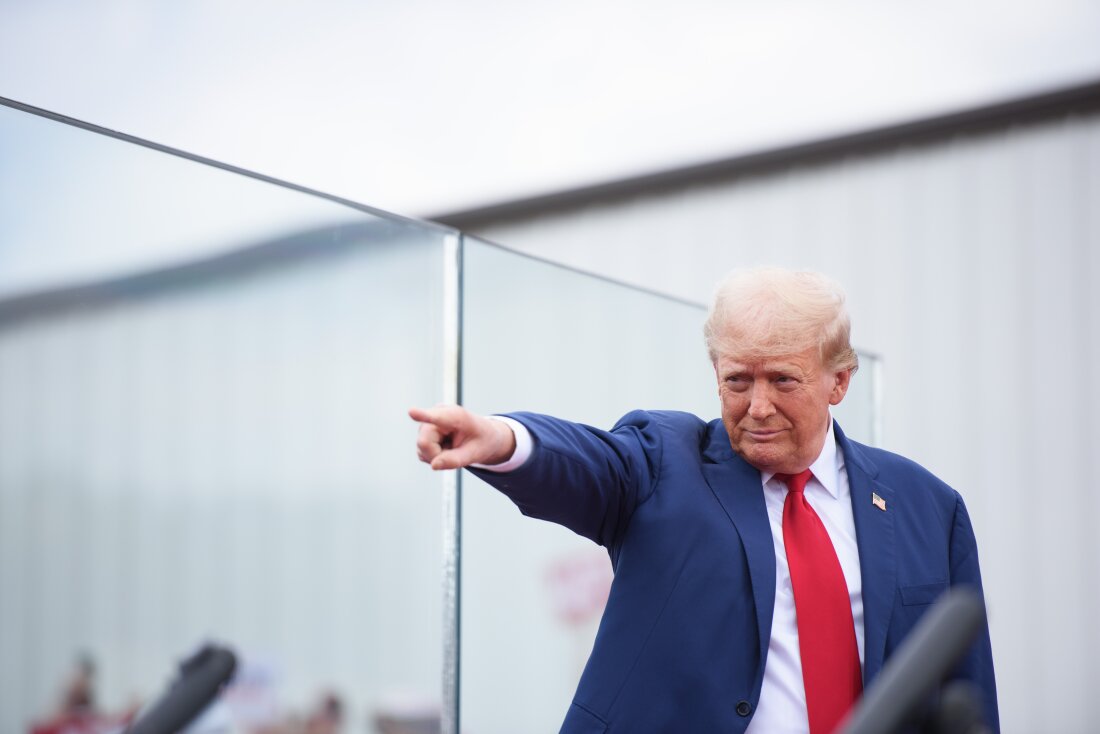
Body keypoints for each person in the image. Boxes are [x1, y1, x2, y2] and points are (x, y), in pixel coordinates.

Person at [410, 268, 998, 734]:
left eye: (783, 380)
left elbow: (965, 694)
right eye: (738, 380)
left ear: (839, 381)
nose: (758, 407)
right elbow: (592, 463)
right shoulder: (666, 461)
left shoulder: (927, 507)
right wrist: (503, 440)